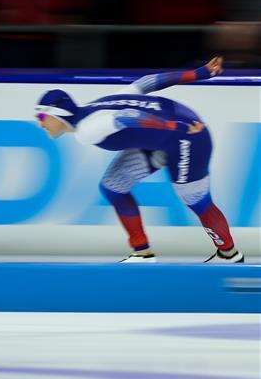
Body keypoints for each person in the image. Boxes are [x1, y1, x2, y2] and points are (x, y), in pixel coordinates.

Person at [35, 56, 244, 263]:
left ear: (58, 114)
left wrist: (177, 127)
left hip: (189, 137)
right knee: (113, 186)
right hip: (168, 133)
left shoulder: (86, 130)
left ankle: (229, 254)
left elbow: (129, 117)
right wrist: (199, 73)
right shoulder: (97, 105)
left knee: (196, 200)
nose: (41, 124)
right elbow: (147, 82)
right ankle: (142, 252)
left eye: (42, 117)